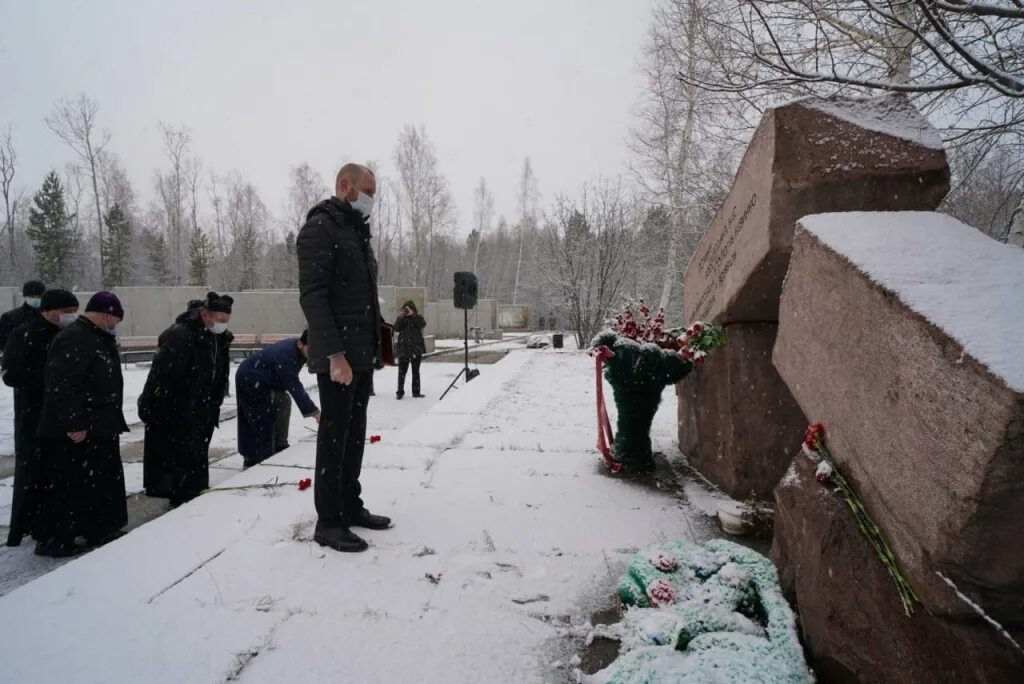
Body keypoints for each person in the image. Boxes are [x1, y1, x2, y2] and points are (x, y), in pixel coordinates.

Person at [297, 162, 391, 553]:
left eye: (374, 193)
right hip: (339, 358)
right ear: (344, 185)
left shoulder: (355, 230)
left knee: (354, 437)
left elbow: (363, 296)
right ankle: (328, 521)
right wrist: (336, 354)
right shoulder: (320, 229)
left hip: (361, 355)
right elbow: (314, 297)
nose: (372, 199)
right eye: (367, 190)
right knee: (334, 438)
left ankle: (350, 506)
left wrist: (376, 343)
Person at [33, 291, 128, 557]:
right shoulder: (75, 338)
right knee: (68, 485)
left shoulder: (94, 337)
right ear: (105, 314)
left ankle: (97, 528)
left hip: (98, 425)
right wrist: (75, 422)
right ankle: (57, 538)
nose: (115, 326)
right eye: (115, 320)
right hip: (77, 429)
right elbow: (63, 385)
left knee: (96, 481)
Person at [138, 292, 234, 506]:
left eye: (226, 321)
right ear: (204, 314)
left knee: (197, 455)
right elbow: (162, 376)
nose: (222, 325)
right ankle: (181, 497)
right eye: (219, 320)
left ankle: (194, 492)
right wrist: (153, 405)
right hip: (180, 408)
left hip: (205, 408)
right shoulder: (180, 335)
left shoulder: (218, 337)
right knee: (180, 457)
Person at [0, 289, 79, 547]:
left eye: (73, 312)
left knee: (57, 473)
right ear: (48, 310)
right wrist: (49, 379)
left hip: (58, 413)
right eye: (66, 312)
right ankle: (37, 527)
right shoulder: (25, 334)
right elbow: (11, 375)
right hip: (33, 413)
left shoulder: (65, 334)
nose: (71, 316)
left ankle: (53, 524)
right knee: (36, 472)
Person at [235, 331, 320, 468]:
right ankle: (254, 457)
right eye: (312, 349)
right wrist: (315, 412)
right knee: (259, 417)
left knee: (283, 401)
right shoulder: (287, 354)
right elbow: (294, 386)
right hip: (251, 379)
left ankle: (280, 445)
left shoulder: (298, 351)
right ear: (300, 344)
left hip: (264, 379)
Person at [0, 280, 46, 352]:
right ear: (25, 296)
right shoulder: (9, 317)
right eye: (32, 296)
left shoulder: (48, 315)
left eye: (39, 296)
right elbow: (3, 342)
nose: (35, 299)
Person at [394, 300, 426, 399]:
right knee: (401, 372)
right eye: (405, 309)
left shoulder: (418, 318)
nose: (407, 311)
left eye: (408, 309)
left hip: (416, 349)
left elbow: (423, 324)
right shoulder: (401, 318)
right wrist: (403, 316)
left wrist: (414, 315)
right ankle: (400, 392)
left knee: (416, 371)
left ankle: (416, 392)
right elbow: (396, 328)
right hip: (404, 349)